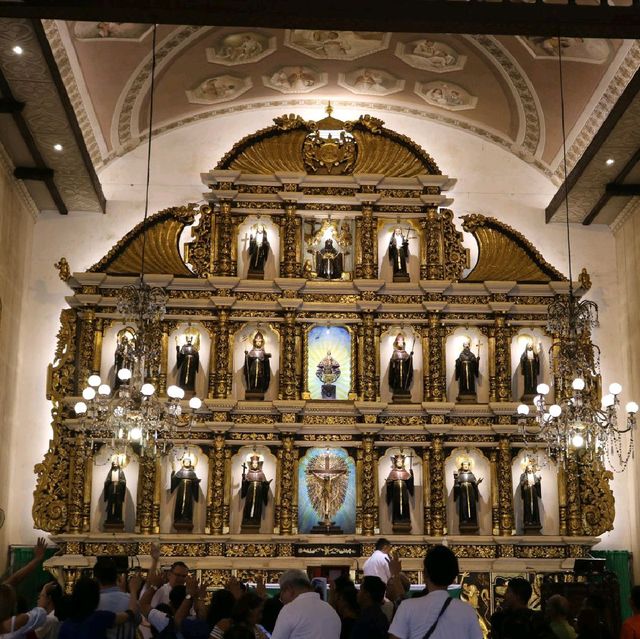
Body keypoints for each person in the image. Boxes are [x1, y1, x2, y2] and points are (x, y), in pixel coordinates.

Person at [389, 545, 482, 639]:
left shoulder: (407, 607)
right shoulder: (467, 611)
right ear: (453, 577)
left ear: (425, 574)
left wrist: (395, 576)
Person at [58, 575, 140, 639]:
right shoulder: (99, 618)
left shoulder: (65, 625)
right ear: (96, 598)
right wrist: (132, 590)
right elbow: (130, 613)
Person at [271, 569, 341, 639]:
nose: (281, 598)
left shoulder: (289, 610)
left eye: (282, 593)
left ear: (289, 589)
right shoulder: (331, 611)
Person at [95, 557, 140, 639]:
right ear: (117, 577)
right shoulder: (131, 600)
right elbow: (137, 621)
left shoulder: (93, 602)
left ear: (96, 579)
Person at [240, 454, 271, 531]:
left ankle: (256, 519)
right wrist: (244, 479)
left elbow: (264, 483)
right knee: (249, 503)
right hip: (250, 490)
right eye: (253, 463)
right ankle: (247, 519)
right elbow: (245, 484)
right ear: (251, 464)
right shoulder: (249, 473)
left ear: (258, 464)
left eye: (256, 463)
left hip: (258, 491)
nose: (254, 465)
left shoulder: (261, 473)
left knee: (257, 504)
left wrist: (266, 484)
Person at [385, 453, 414, 530]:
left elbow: (409, 483)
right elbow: (389, 483)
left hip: (404, 493)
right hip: (396, 493)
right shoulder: (392, 472)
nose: (399, 463)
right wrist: (389, 482)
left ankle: (405, 519)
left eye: (401, 462)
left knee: (405, 505)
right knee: (396, 505)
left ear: (403, 463)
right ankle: (397, 519)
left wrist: (412, 476)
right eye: (398, 462)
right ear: (395, 463)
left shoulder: (405, 472)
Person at [171, 458, 201, 530]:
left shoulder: (192, 473)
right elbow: (174, 480)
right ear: (183, 462)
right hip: (181, 490)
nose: (187, 463)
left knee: (188, 503)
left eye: (188, 461)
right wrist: (173, 474)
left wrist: (196, 482)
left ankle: (187, 518)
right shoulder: (180, 472)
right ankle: (179, 518)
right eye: (186, 461)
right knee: (180, 502)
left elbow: (195, 482)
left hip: (189, 491)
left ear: (190, 463)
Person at [454, 460, 482, 532]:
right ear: (462, 466)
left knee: (472, 504)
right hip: (463, 491)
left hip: (471, 491)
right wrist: (456, 479)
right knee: (464, 505)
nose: (465, 466)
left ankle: (472, 519)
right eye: (464, 465)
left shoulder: (471, 474)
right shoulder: (460, 475)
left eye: (467, 465)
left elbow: (475, 484)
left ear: (469, 466)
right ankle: (464, 519)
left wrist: (478, 481)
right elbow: (457, 485)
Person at [243, 332, 271, 399]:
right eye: (257, 341)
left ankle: (260, 388)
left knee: (260, 378)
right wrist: (246, 356)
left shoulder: (263, 352)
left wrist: (266, 358)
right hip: (253, 369)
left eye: (260, 341)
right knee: (252, 377)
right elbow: (248, 363)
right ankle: (252, 388)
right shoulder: (251, 352)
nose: (258, 342)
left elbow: (266, 365)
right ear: (254, 342)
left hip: (261, 370)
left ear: (262, 342)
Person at [388, 334, 413, 399]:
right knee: (397, 379)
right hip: (397, 371)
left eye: (402, 340)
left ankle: (404, 388)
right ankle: (397, 388)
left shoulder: (405, 353)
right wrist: (393, 362)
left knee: (404, 379)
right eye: (399, 340)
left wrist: (410, 356)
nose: (400, 342)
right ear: (396, 342)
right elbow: (392, 364)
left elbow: (408, 363)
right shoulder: (395, 353)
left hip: (404, 370)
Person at [519, 461, 542, 531]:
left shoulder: (534, 475)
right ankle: (527, 521)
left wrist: (539, 480)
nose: (530, 469)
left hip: (533, 491)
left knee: (535, 506)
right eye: (528, 468)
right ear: (526, 469)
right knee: (527, 506)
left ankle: (535, 521)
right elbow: (522, 483)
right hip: (527, 492)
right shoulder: (523, 475)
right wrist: (525, 482)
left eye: (531, 468)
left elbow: (537, 483)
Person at [104, 460, 126, 529]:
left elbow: (124, 481)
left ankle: (118, 518)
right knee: (110, 504)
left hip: (118, 490)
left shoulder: (121, 472)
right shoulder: (110, 472)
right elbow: (106, 481)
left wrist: (119, 482)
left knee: (118, 504)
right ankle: (110, 518)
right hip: (111, 490)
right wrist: (109, 481)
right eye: (114, 465)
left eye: (116, 465)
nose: (115, 466)